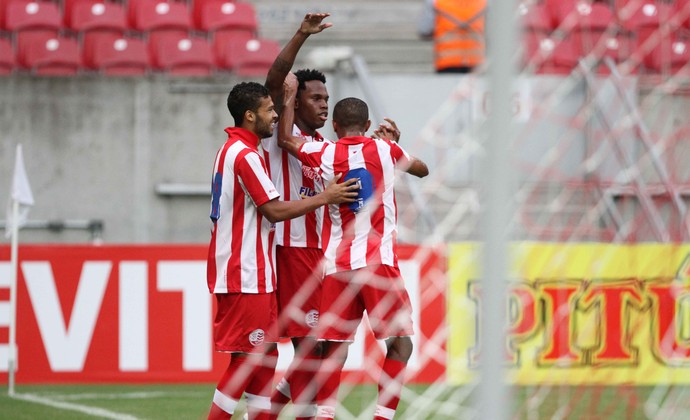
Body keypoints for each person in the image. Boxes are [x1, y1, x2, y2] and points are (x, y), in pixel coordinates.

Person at [260, 12, 399, 420]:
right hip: (293, 248)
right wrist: (302, 35)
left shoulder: (324, 145)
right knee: (312, 345)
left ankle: (269, 413)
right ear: (294, 99)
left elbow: (365, 190)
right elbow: (275, 79)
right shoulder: (280, 137)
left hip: (325, 254)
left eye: (326, 99)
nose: (324, 105)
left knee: (319, 347)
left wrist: (385, 155)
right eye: (315, 98)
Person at [206, 81, 359, 420]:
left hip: (253, 270)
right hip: (245, 270)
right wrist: (324, 198)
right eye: (268, 110)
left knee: (267, 355)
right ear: (249, 116)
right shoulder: (245, 155)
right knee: (248, 358)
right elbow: (272, 210)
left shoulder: (236, 150)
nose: (275, 115)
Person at [277, 81, 429, 420]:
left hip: (338, 266)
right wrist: (393, 145)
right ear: (366, 123)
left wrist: (288, 100)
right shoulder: (386, 151)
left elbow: (286, 140)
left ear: (334, 125)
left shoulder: (325, 152)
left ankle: (325, 415)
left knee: (335, 347)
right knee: (400, 343)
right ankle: (381, 417)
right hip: (378, 263)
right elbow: (422, 169)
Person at [418, 0, 487, 73]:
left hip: (447, 63)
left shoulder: (434, 2)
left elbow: (424, 30)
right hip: (477, 63)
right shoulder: (486, 2)